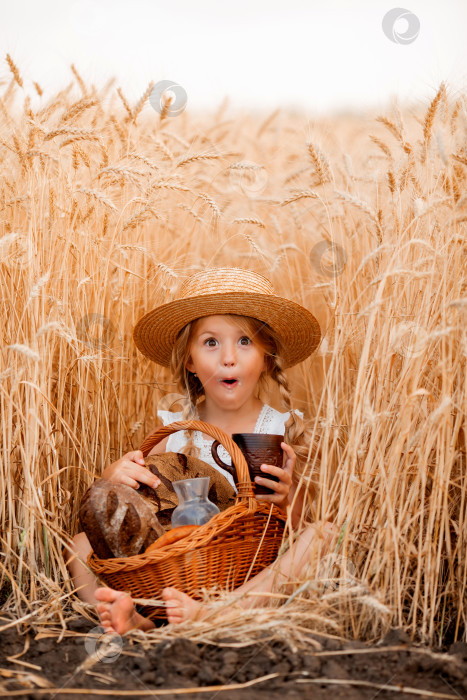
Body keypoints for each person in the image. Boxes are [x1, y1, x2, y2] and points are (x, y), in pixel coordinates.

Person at [65, 267, 334, 635]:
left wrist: (287, 499)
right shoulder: (174, 433)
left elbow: (304, 522)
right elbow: (136, 503)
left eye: (245, 341)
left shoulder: (279, 430)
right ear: (189, 360)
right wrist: (114, 478)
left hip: (249, 566)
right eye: (210, 342)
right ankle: (141, 620)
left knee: (324, 533)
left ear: (268, 356)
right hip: (179, 565)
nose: (228, 358)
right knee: (80, 545)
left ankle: (221, 614)